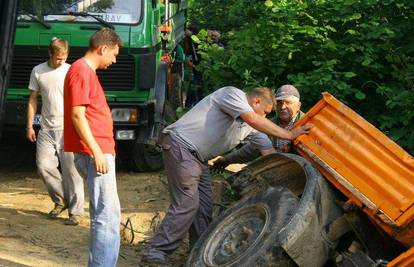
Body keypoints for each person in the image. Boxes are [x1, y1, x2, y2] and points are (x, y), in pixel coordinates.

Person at [143, 86, 312, 264]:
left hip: (198, 160)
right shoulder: (231, 94)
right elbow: (253, 118)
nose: (265, 117)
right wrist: (289, 134)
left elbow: (269, 154)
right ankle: (155, 252)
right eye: (265, 112)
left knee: (204, 208)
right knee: (187, 203)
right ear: (256, 102)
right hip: (181, 146)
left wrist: (282, 182)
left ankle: (198, 254)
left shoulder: (251, 126)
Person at [63, 28, 122, 267]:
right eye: (114, 54)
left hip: (99, 150)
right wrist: (97, 151)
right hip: (95, 153)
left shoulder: (85, 71)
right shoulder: (80, 71)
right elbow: (78, 116)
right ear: (103, 48)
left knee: (110, 214)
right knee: (105, 218)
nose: (114, 60)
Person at [26, 37, 84, 226]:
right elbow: (33, 99)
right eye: (58, 58)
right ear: (50, 54)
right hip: (46, 128)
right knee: (43, 166)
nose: (61, 61)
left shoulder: (70, 71)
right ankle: (61, 200)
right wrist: (29, 126)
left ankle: (76, 212)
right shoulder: (38, 71)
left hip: (68, 127)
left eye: (64, 57)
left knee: (71, 170)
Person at [212, 84, 304, 171]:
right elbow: (251, 150)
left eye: (288, 102)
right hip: (274, 169)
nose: (283, 107)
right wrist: (227, 160)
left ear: (298, 105)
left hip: (302, 172)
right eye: (279, 103)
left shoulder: (307, 124)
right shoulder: (269, 125)